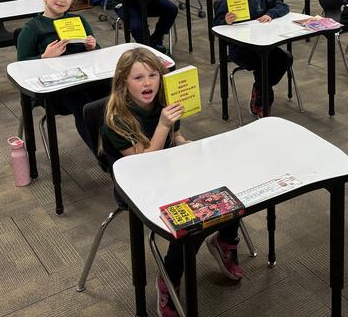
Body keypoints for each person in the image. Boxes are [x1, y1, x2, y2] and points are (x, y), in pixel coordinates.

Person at [99, 47, 243, 317]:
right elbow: (142, 162)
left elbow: (175, 138)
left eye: (153, 75)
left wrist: (189, 145)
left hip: (168, 169)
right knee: (194, 219)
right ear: (123, 82)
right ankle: (169, 276)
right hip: (137, 184)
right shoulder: (116, 119)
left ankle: (225, 239)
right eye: (138, 78)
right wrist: (164, 125)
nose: (147, 83)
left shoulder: (163, 101)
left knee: (227, 186)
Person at [16, 0, 104, 147]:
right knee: (83, 105)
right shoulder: (31, 29)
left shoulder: (79, 20)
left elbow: (96, 56)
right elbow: (20, 68)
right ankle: (103, 155)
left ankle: (122, 144)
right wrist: (44, 57)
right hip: (55, 88)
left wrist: (92, 47)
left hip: (85, 79)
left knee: (114, 93)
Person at [213, 0, 292, 117]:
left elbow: (283, 6)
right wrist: (226, 21)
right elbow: (215, 26)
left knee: (285, 58)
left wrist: (270, 14)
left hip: (263, 44)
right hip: (240, 49)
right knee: (263, 63)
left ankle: (259, 88)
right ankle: (265, 100)